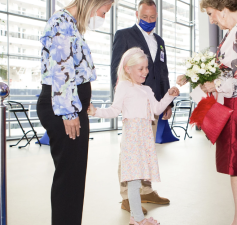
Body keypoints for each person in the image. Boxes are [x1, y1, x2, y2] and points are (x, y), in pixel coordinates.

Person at [178, 0, 237, 224]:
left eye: (211, 13)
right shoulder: (234, 31)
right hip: (231, 102)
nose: (211, 19)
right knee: (234, 163)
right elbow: (229, 71)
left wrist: (216, 85)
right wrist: (211, 82)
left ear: (223, 9)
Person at [36, 0, 113, 224]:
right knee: (69, 180)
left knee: (73, 179)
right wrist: (69, 113)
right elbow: (61, 70)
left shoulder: (70, 24)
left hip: (71, 105)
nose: (103, 17)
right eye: (104, 11)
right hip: (65, 107)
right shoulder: (61, 22)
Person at [88, 48, 179, 225]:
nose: (145, 71)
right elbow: (114, 110)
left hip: (144, 138)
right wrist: (95, 111)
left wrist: (169, 96)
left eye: (146, 68)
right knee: (134, 180)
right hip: (132, 138)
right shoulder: (123, 86)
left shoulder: (147, 89)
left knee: (137, 178)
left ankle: (135, 217)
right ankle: (137, 219)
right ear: (128, 69)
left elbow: (157, 109)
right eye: (141, 68)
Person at [111, 0, 171, 214]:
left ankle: (145, 191)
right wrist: (121, 98)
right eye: (144, 17)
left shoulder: (159, 40)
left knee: (147, 148)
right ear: (137, 14)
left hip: (152, 103)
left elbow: (163, 72)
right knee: (129, 153)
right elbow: (116, 69)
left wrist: (167, 101)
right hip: (133, 103)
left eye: (152, 17)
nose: (148, 21)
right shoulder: (124, 34)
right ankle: (127, 196)